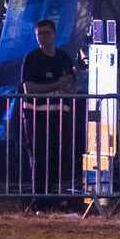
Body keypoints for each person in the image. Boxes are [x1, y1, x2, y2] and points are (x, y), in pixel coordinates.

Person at [20, 18, 78, 208]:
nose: (43, 38)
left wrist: (68, 87)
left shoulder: (63, 58)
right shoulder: (32, 59)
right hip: (37, 117)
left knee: (59, 157)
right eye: (39, 35)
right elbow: (29, 88)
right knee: (39, 157)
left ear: (54, 34)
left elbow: (73, 84)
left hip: (60, 116)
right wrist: (56, 85)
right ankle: (40, 200)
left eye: (46, 33)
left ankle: (58, 197)